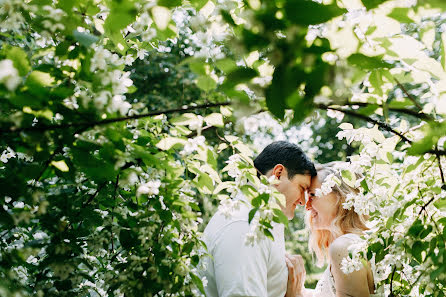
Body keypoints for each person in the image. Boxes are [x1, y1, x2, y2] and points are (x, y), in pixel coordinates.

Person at [200, 141, 317, 297]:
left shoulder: (260, 220)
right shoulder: (243, 225)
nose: (303, 201)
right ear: (278, 174)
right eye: (302, 188)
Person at [286, 163, 375, 297]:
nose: (307, 206)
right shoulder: (361, 243)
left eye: (312, 195)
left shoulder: (344, 247)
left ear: (341, 196)